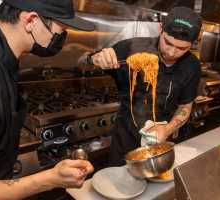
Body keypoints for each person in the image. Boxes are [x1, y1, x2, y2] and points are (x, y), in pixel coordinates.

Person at [0, 0, 95, 199]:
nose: (61, 39)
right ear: (31, 20)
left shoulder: (0, 55)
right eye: (60, 31)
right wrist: (51, 178)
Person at [86, 7, 202, 166]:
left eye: (182, 48)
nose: (172, 52)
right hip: (126, 137)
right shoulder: (131, 48)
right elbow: (84, 62)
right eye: (167, 42)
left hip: (164, 140)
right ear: (161, 28)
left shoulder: (192, 66)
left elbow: (185, 105)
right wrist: (96, 58)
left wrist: (167, 129)